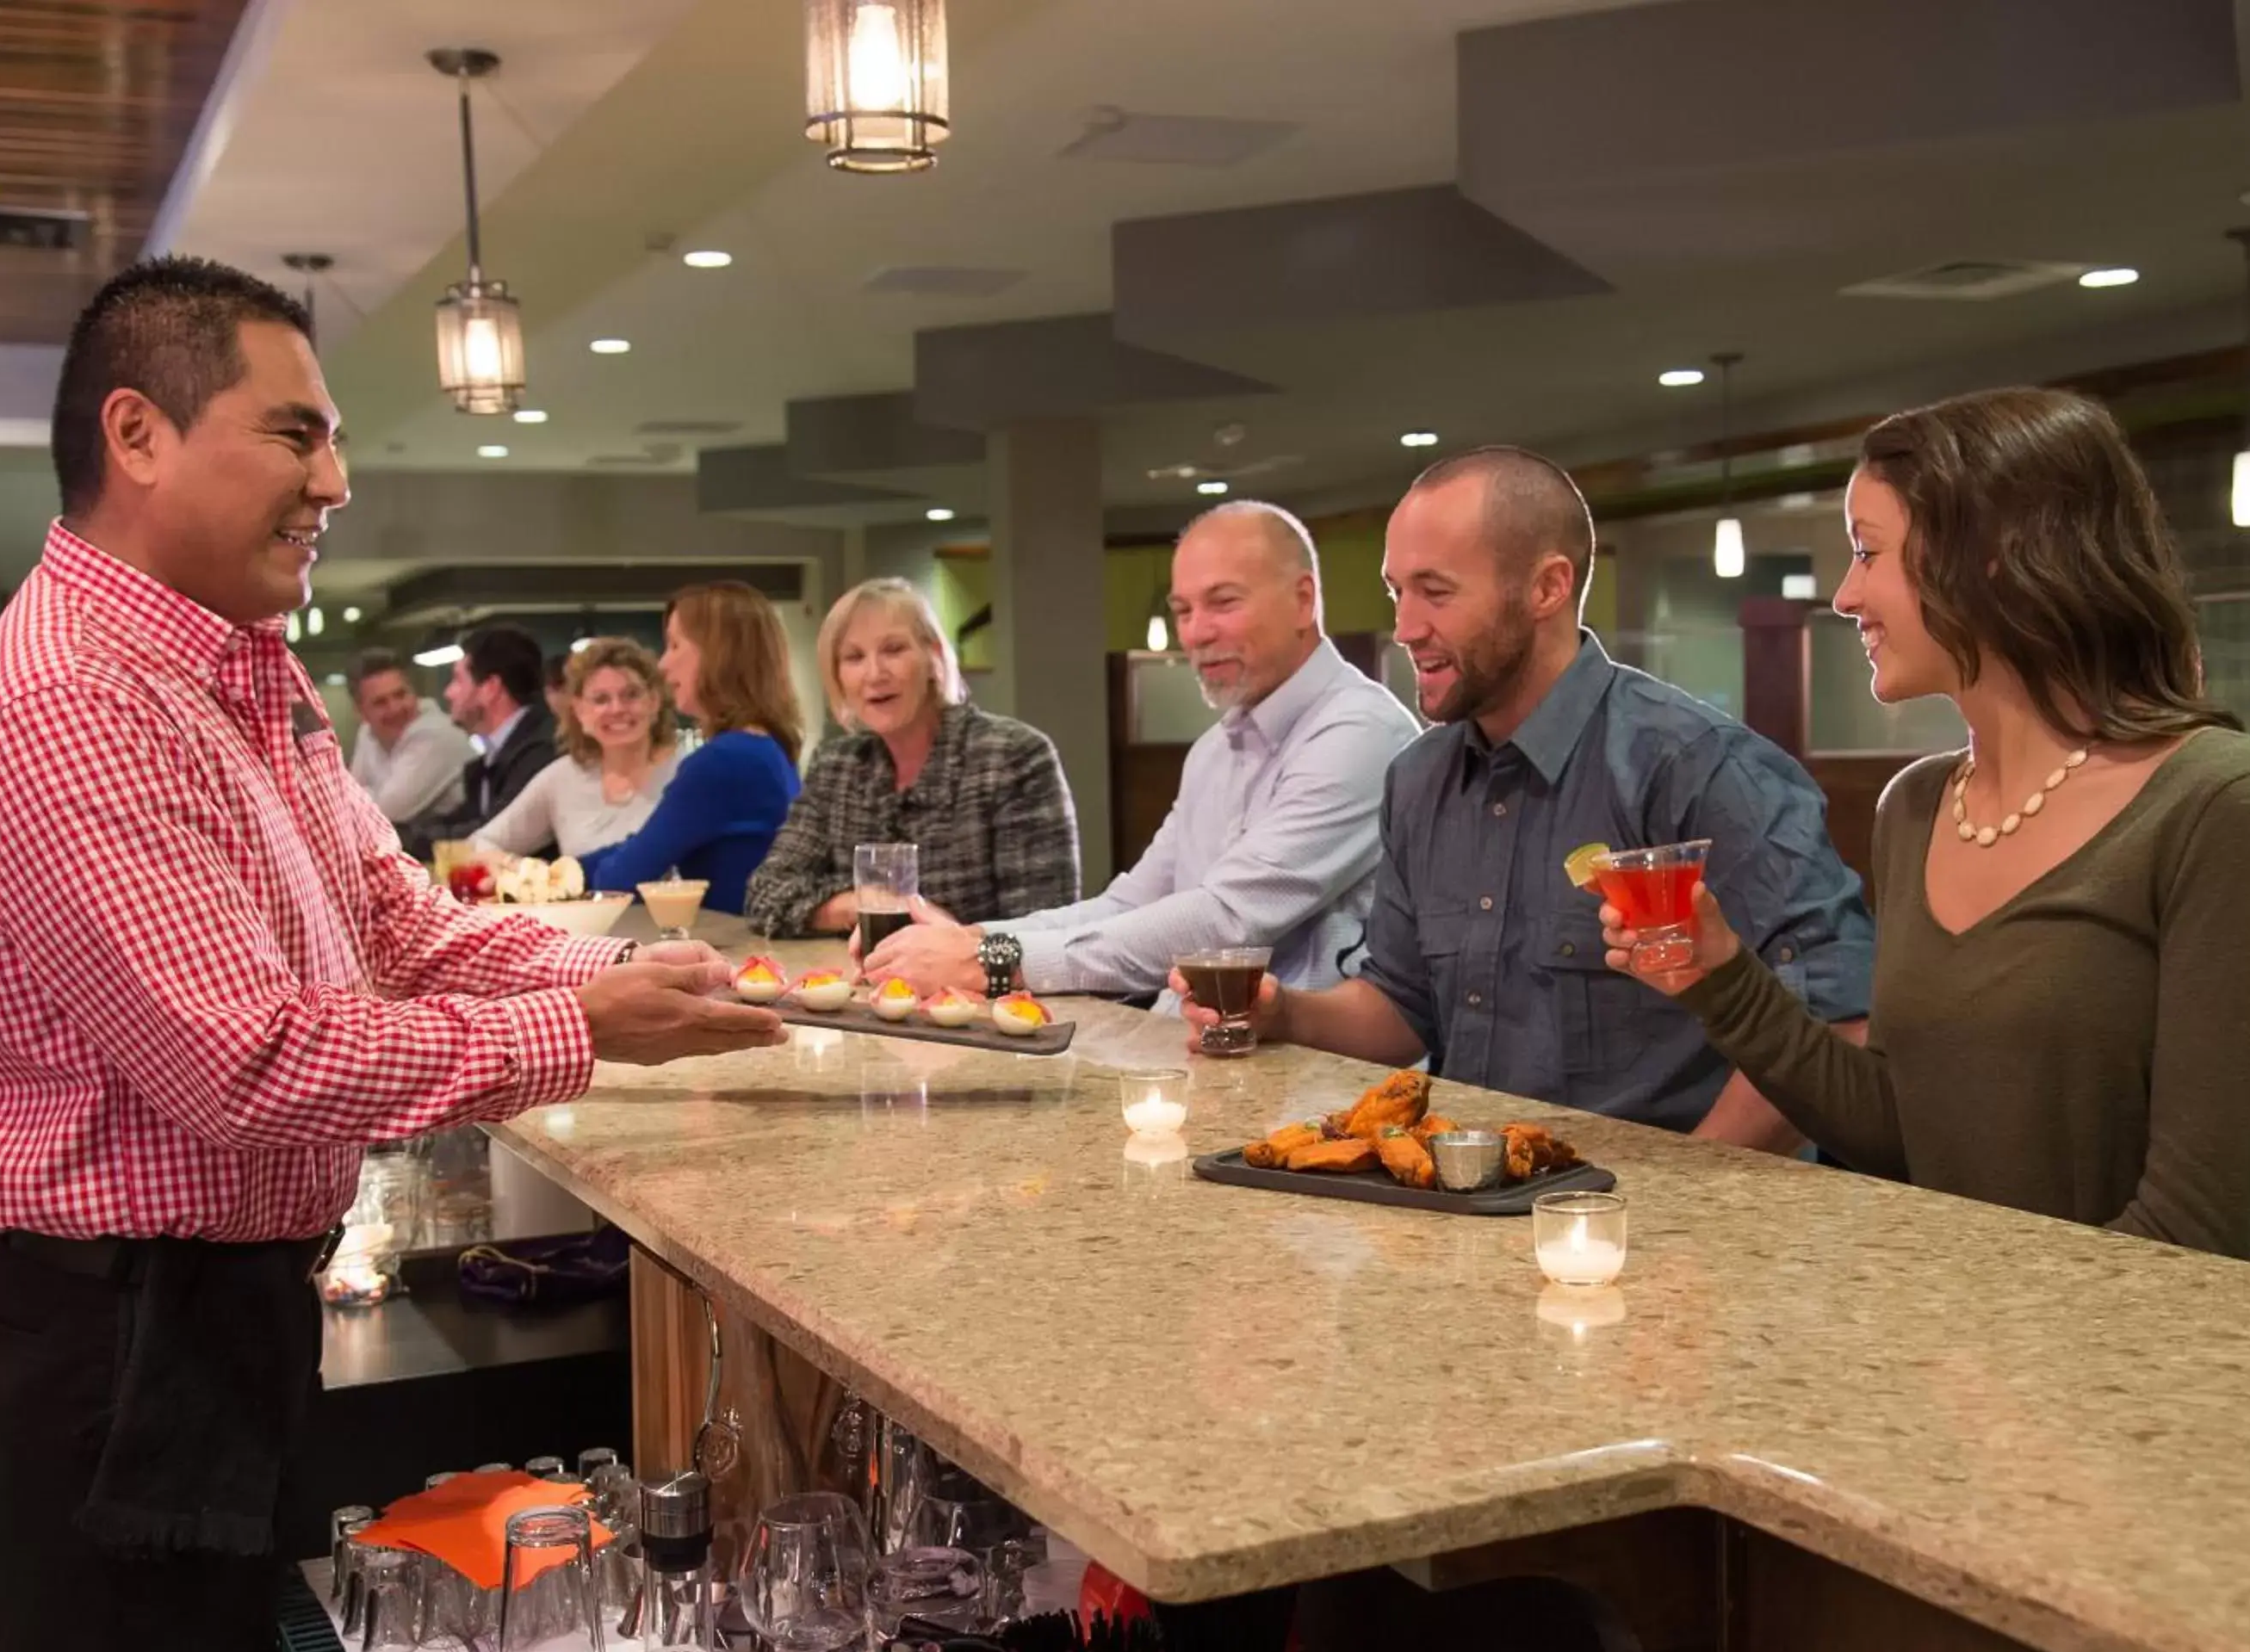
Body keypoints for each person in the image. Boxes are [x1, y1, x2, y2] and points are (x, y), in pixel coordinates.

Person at [0, 254, 789, 1652]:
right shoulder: (73, 697)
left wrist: (630, 970)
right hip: (113, 1342)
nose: (337, 481)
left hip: (213, 1310)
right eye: (298, 432)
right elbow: (247, 1062)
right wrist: (583, 1027)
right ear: (138, 434)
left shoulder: (235, 672)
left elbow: (394, 924)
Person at [1599, 388, 2250, 1278]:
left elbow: (2199, 1229)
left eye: (1866, 551)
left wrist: (1968, 1355)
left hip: (2230, 1369)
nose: (1844, 595)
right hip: (2011, 1345)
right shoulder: (1916, 806)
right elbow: (1909, 1131)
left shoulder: (2227, 805)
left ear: (1991, 557)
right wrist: (1720, 975)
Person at [1178, 447, 1873, 1150]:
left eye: (1436, 592)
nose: (1407, 627)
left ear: (1547, 588)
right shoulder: (1418, 780)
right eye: (1398, 593)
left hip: (1655, 1230)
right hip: (1468, 1198)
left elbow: (1832, 1017)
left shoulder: (1694, 767)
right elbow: (1401, 1007)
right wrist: (1285, 1015)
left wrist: (1676, 1206)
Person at [865, 500, 1417, 1002]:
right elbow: (1129, 905)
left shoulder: (1360, 732)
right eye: (1183, 610)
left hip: (1308, 1087)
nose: (1197, 632)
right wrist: (969, 939)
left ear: (1303, 601)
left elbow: (1227, 922)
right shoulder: (1214, 749)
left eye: (1223, 603)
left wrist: (991, 962)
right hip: (1196, 1058)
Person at [745, 578, 1079, 946]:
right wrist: (866, 904)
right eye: (854, 657)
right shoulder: (837, 765)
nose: (874, 674)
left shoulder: (1013, 757)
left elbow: (1045, 928)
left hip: (986, 998)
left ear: (934, 657)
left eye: (894, 649)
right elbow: (766, 894)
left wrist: (957, 943)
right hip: (866, 990)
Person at [580, 584, 804, 909]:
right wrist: (563, 870)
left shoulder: (726, 760)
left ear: (719, 654)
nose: (663, 665)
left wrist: (556, 878)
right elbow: (646, 844)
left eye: (674, 645)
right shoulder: (767, 747)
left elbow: (620, 879)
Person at [469, 637, 682, 861]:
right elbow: (479, 844)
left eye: (631, 694)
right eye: (601, 699)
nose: (617, 708)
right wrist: (533, 875)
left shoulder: (686, 772)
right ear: (580, 711)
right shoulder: (561, 778)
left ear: (655, 701)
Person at [443, 622, 557, 830]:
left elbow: (491, 831)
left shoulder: (540, 754)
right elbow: (459, 822)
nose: (448, 693)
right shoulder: (494, 758)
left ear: (490, 688)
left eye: (458, 680)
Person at [346, 647, 475, 826]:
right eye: (380, 702)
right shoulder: (367, 733)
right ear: (360, 712)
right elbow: (346, 800)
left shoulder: (438, 734)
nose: (395, 709)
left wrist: (366, 794)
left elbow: (387, 812)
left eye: (400, 695)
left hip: (458, 847)